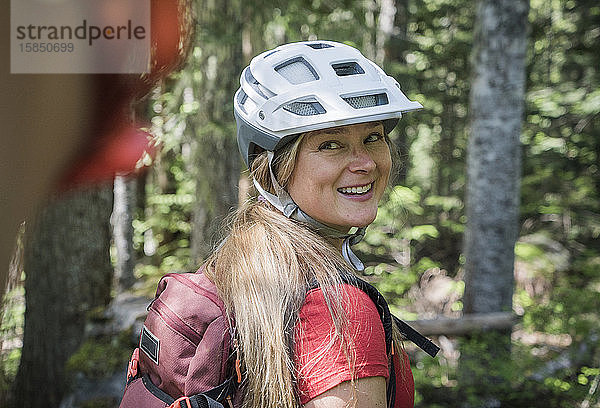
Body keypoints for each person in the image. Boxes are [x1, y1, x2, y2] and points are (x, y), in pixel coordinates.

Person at [203, 40, 423, 408]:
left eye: (373, 138)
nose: (365, 162)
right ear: (273, 167)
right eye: (331, 144)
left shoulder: (241, 260)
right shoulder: (339, 310)